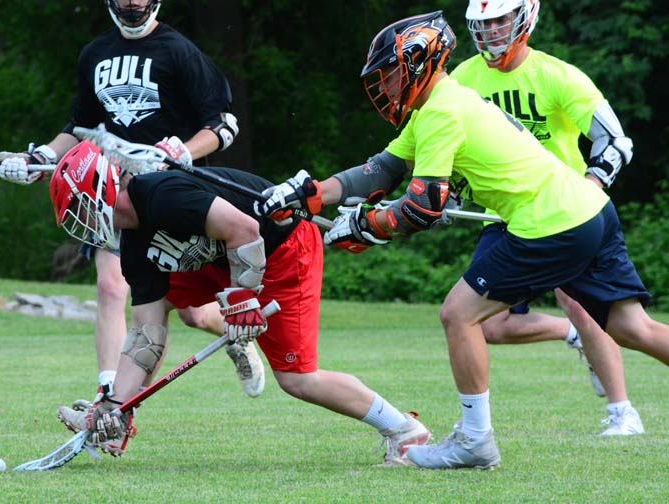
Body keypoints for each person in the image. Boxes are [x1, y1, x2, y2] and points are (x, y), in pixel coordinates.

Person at [260, 11, 669, 469]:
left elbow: (422, 207)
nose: (386, 85)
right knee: (633, 329)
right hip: (589, 210)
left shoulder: (441, 111)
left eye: (391, 73)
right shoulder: (439, 102)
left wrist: (368, 225)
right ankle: (474, 439)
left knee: (459, 315)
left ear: (418, 63)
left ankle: (475, 441)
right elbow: (379, 171)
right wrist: (310, 194)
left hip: (549, 223)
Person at [46, 140, 432, 464]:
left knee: (298, 379)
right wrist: (114, 403)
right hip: (224, 259)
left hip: (281, 247)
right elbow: (146, 334)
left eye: (79, 207)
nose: (80, 220)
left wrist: (242, 299)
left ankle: (404, 430)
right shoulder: (134, 248)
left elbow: (245, 230)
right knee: (158, 311)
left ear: (102, 189)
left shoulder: (161, 195)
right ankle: (120, 418)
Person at [0, 0, 264, 410]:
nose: (132, 3)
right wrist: (39, 157)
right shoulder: (95, 54)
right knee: (110, 286)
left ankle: (235, 334)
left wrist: (182, 152)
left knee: (191, 313)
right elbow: (79, 128)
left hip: (171, 195)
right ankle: (109, 398)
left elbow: (223, 125)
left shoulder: (179, 51)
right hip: (111, 195)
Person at [450, 0, 643, 435]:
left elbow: (615, 141)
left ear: (523, 18)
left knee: (584, 305)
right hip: (505, 214)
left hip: (564, 212)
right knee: (487, 322)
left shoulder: (556, 75)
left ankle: (622, 413)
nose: (491, 31)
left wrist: (590, 184)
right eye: (483, 23)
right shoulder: (462, 79)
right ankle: (571, 334)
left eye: (500, 20)